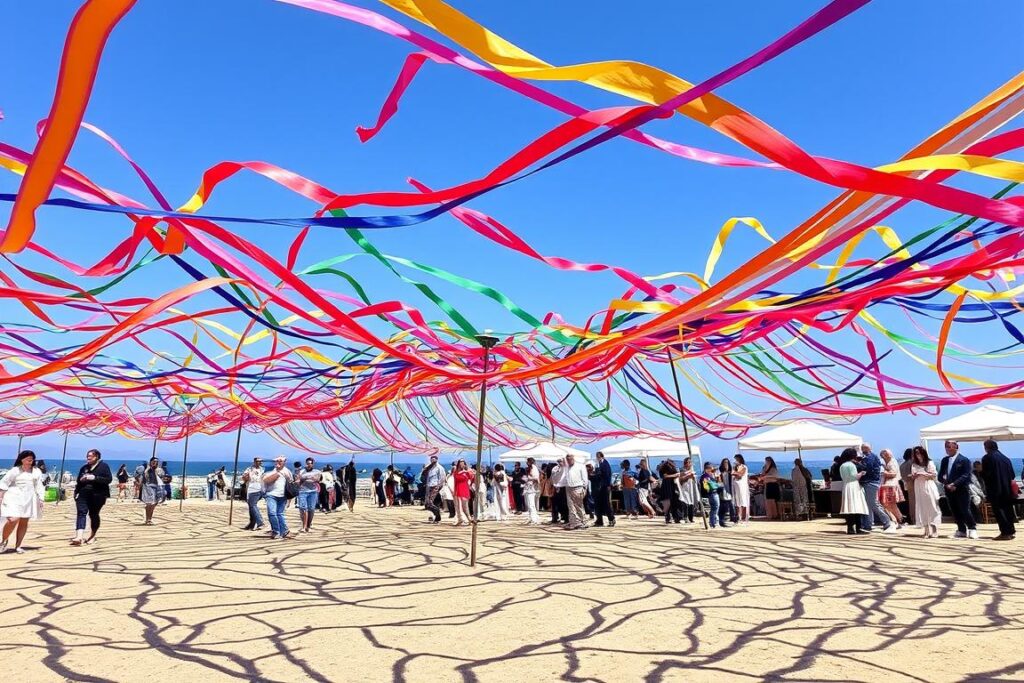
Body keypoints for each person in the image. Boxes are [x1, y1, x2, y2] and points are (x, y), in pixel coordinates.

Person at [0, 450, 46, 554]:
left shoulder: (36, 471)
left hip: (29, 497)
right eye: (28, 458)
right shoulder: (15, 470)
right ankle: (3, 541)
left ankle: (18, 545)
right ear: (22, 459)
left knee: (24, 521)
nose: (30, 460)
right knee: (12, 519)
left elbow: (39, 486)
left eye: (32, 458)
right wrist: (1, 497)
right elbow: (4, 483)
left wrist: (41, 499)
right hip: (14, 496)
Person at [71, 448, 112, 546]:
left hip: (98, 494)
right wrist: (76, 491)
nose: (88, 458)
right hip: (83, 493)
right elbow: (78, 481)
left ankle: (93, 535)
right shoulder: (84, 467)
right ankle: (79, 536)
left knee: (93, 514)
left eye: (90, 456)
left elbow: (108, 479)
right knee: (81, 513)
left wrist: (95, 478)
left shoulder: (104, 466)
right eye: (87, 456)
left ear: (96, 457)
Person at [938, 440, 977, 539]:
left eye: (950, 447)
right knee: (954, 510)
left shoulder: (964, 460)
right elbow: (940, 475)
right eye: (946, 447)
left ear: (956, 447)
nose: (948, 449)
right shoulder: (945, 460)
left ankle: (972, 528)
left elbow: (966, 475)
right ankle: (961, 529)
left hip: (961, 489)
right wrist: (946, 483)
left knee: (965, 509)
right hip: (949, 490)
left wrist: (955, 484)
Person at [981, 439, 1017, 540]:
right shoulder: (1006, 459)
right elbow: (1012, 475)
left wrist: (980, 472)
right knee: (1008, 510)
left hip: (995, 489)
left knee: (999, 511)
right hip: (1007, 489)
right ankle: (1011, 531)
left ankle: (1005, 533)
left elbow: (987, 475)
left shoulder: (987, 458)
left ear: (986, 447)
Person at [858, 444, 895, 534]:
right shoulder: (871, 457)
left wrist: (859, 464)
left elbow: (867, 468)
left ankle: (887, 522)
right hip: (871, 482)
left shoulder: (869, 458)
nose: (863, 450)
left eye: (864, 448)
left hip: (870, 483)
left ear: (868, 448)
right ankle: (868, 524)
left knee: (873, 503)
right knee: (869, 504)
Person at [910, 446, 942, 538]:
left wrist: (924, 474)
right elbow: (912, 476)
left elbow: (933, 475)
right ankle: (926, 530)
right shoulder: (914, 464)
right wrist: (914, 476)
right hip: (919, 486)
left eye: (919, 452)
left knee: (932, 506)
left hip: (928, 485)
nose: (918, 454)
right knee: (921, 507)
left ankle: (934, 529)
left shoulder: (929, 463)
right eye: (916, 453)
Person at [838, 448, 869, 535]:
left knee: (849, 507)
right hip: (854, 485)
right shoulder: (851, 465)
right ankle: (859, 528)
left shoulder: (842, 465)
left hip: (846, 486)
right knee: (857, 506)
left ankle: (850, 528)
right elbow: (855, 476)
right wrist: (862, 473)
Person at [262, 456, 293, 540]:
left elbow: (290, 485)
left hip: (283, 496)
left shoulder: (287, 472)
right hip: (271, 494)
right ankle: (276, 531)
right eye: (277, 461)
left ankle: (284, 530)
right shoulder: (271, 469)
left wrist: (289, 500)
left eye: (280, 461)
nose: (278, 462)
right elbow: (264, 479)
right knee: (272, 513)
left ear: (284, 462)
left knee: (280, 514)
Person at [878, 449, 905, 528]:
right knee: (887, 504)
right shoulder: (887, 462)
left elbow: (893, 474)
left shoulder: (892, 462)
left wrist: (884, 473)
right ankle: (897, 520)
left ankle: (898, 520)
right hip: (887, 485)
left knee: (890, 504)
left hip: (891, 485)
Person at [562, 453, 589, 530]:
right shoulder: (566, 467)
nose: (569, 460)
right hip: (568, 488)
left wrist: (584, 488)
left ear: (573, 458)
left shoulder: (580, 466)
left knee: (579, 506)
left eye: (570, 458)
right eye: (567, 459)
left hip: (578, 488)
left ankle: (583, 521)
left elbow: (585, 478)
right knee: (570, 506)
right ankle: (574, 522)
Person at [136, 457, 165, 525]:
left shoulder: (159, 470)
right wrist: (139, 483)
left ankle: (150, 518)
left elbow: (162, 478)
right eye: (153, 461)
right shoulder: (146, 469)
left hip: (157, 488)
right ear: (151, 462)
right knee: (149, 504)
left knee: (154, 504)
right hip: (147, 488)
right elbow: (138, 476)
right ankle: (147, 519)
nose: (155, 463)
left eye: (156, 462)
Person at [296, 457, 322, 533]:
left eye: (310, 463)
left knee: (311, 509)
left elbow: (319, 480)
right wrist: (300, 481)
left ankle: (308, 525)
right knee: (303, 508)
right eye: (307, 463)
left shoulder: (317, 472)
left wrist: (315, 479)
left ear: (313, 464)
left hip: (313, 492)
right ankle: (304, 526)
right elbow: (298, 481)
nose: (309, 465)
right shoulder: (301, 471)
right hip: (303, 491)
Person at [590, 453, 616, 527]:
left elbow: (607, 475)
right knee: (598, 504)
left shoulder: (605, 464)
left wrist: (608, 485)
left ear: (602, 456)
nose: (598, 458)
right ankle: (599, 520)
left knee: (606, 503)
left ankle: (611, 519)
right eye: (597, 457)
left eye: (599, 457)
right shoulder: (599, 464)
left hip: (604, 487)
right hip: (598, 488)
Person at [241, 457, 265, 531]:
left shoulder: (263, 469)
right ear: (254, 462)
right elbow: (244, 478)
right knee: (251, 506)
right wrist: (245, 477)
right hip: (250, 489)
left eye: (260, 461)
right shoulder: (249, 469)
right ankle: (252, 523)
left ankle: (260, 522)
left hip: (259, 489)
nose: (259, 463)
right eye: (258, 461)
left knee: (252, 505)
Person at [423, 455, 447, 524]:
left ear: (437, 460)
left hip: (435, 487)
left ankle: (437, 515)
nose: (432, 461)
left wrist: (438, 487)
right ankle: (437, 515)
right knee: (427, 504)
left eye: (434, 460)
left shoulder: (440, 468)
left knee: (430, 503)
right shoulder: (430, 468)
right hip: (429, 486)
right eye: (431, 460)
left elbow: (442, 478)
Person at [699, 462, 723, 528]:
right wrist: (717, 484)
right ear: (707, 469)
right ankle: (714, 523)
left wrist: (718, 477)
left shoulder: (709, 476)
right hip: (712, 493)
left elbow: (719, 483)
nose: (712, 469)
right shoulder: (706, 476)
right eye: (711, 468)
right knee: (715, 508)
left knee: (714, 508)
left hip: (712, 493)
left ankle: (713, 523)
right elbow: (711, 486)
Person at [657, 459, 681, 524]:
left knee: (672, 502)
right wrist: (674, 475)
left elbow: (677, 474)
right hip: (669, 486)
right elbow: (665, 476)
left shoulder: (669, 469)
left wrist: (669, 476)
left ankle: (673, 518)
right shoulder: (666, 469)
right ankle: (672, 518)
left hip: (670, 486)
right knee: (670, 503)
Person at [452, 459, 474, 526]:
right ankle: (460, 519)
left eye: (463, 463)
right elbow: (455, 481)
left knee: (465, 506)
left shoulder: (467, 472)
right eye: (460, 463)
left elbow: (473, 479)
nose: (462, 465)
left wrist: (470, 485)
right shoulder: (455, 472)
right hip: (457, 490)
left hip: (464, 490)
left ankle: (469, 519)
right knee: (458, 506)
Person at [677, 457, 698, 523]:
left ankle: (691, 518)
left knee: (692, 503)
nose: (689, 464)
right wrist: (688, 476)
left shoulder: (692, 470)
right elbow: (681, 479)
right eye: (687, 462)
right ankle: (685, 517)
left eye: (690, 462)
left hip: (691, 488)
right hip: (684, 488)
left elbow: (695, 480)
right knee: (686, 503)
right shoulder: (682, 470)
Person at [899, 448, 915, 525]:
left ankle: (910, 518)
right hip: (912, 484)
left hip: (904, 485)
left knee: (908, 503)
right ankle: (913, 518)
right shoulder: (912, 463)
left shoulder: (902, 465)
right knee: (913, 502)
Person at [732, 454, 750, 524]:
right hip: (736, 486)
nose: (735, 461)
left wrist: (734, 473)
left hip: (742, 486)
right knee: (737, 501)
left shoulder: (744, 467)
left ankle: (743, 517)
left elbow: (740, 475)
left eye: (736, 459)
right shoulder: (735, 467)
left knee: (743, 500)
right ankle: (738, 516)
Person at [523, 457, 541, 524]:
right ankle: (531, 517)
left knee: (531, 504)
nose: (526, 463)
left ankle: (534, 519)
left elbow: (536, 478)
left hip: (532, 488)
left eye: (527, 461)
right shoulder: (530, 468)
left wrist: (529, 478)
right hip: (528, 487)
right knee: (529, 503)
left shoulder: (534, 468)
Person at [719, 458, 736, 526]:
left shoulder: (731, 472)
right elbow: (719, 482)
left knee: (731, 504)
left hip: (730, 490)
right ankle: (723, 518)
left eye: (727, 462)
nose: (726, 464)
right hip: (723, 490)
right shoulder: (720, 472)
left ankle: (733, 518)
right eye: (724, 462)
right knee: (723, 505)